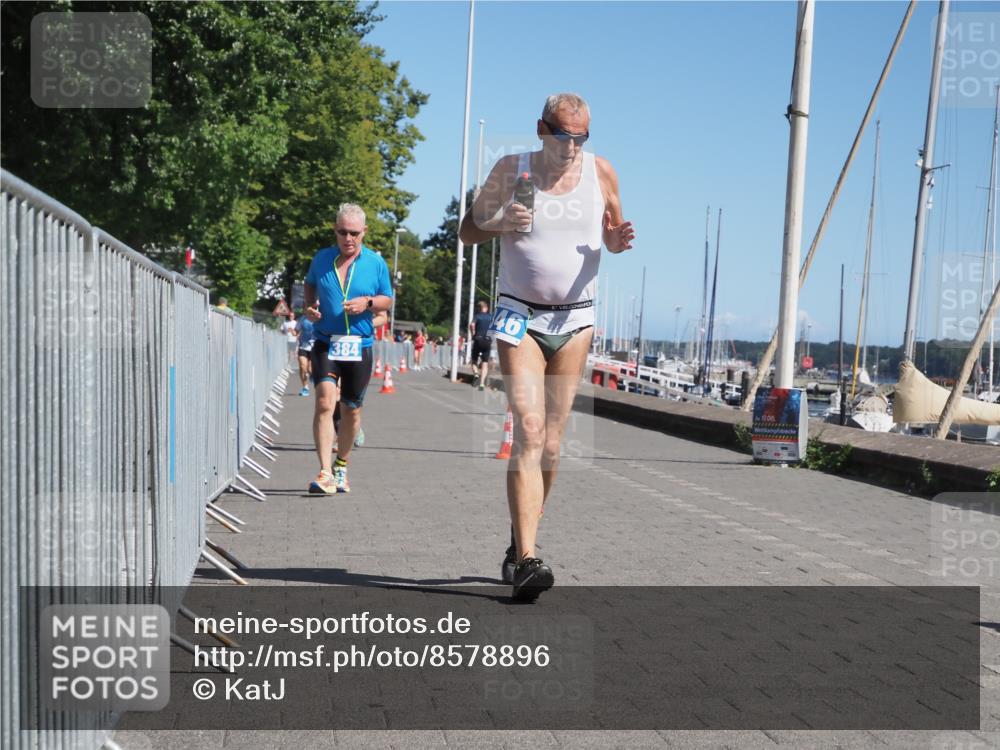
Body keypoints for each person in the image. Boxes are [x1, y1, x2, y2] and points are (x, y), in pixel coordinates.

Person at [459, 93, 635, 601]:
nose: (572, 146)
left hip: (576, 321)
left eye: (582, 137)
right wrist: (500, 223)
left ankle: (521, 539)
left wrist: (617, 242)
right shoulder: (511, 169)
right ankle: (529, 560)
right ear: (542, 130)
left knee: (553, 444)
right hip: (519, 316)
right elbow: (468, 231)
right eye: (563, 136)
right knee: (530, 431)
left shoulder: (601, 173)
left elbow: (611, 235)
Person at [304, 204, 393, 494]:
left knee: (351, 410)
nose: (348, 238)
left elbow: (387, 300)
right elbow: (309, 284)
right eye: (343, 232)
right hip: (326, 341)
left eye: (354, 233)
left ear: (364, 232)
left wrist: (368, 302)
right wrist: (309, 307)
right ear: (335, 230)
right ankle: (324, 471)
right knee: (324, 403)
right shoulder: (322, 258)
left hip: (358, 345)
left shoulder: (375, 263)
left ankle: (341, 464)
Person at [469, 300, 493, 390]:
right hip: (487, 340)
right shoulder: (491, 317)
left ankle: (476, 373)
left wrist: (473, 334)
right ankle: (482, 384)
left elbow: (472, 325)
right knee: (485, 362)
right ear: (486, 308)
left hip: (478, 339)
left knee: (474, 360)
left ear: (479, 308)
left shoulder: (477, 316)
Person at [295, 312, 316, 396]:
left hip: (314, 347)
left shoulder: (318, 316)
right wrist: (296, 334)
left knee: (310, 369)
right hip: (303, 346)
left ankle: (312, 375)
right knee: (303, 366)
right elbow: (296, 330)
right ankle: (305, 388)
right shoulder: (302, 318)